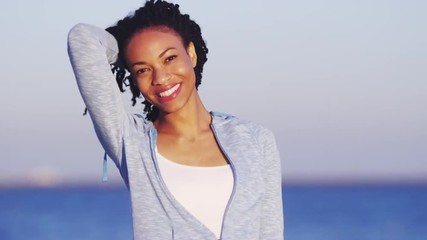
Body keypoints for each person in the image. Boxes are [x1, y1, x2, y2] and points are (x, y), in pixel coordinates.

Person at [67, 0, 283, 239]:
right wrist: (128, 46)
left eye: (169, 58)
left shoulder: (255, 139)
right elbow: (82, 39)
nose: (160, 78)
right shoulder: (132, 141)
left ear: (190, 54)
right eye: (142, 69)